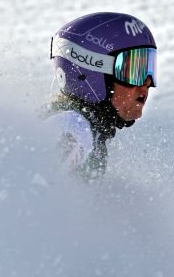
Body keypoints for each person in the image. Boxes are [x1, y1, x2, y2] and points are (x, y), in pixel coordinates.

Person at [44, 12, 157, 179]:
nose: (147, 82)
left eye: (149, 67)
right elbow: (25, 195)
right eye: (134, 71)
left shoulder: (89, 127)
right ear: (92, 72)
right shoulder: (72, 127)